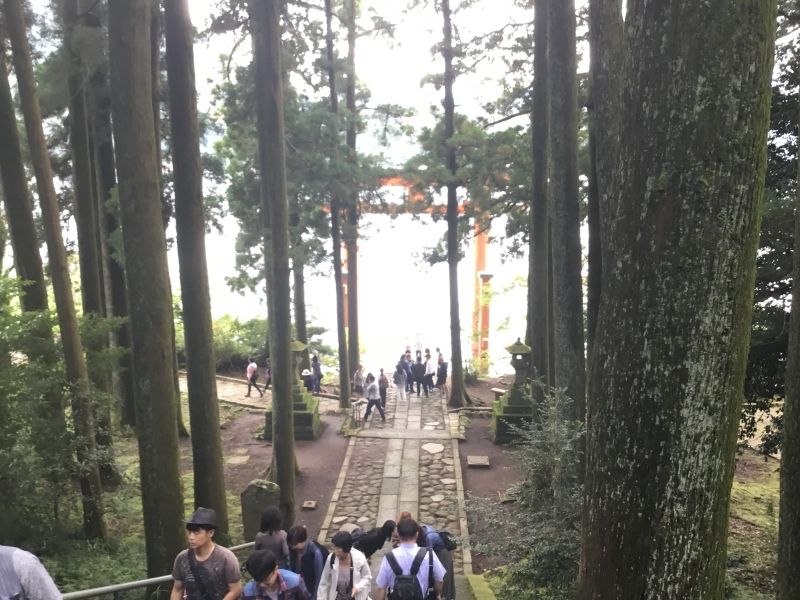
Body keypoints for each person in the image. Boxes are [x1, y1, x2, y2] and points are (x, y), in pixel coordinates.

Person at [171, 507, 242, 600]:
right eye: (190, 532)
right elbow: (177, 589)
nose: (191, 537)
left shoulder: (226, 557)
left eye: (197, 532)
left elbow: (235, 590)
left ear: (211, 533)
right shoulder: (182, 558)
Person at [374, 518, 445, 600]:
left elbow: (380, 587)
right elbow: (439, 580)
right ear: (417, 534)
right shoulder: (429, 554)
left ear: (399, 535)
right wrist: (437, 595)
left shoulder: (389, 557)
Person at [317, 531, 371, 600]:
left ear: (346, 549)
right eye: (335, 547)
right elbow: (324, 582)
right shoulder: (331, 559)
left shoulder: (359, 559)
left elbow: (367, 577)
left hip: (355, 597)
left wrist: (357, 588)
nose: (336, 551)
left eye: (339, 549)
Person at [242, 549, 310, 600]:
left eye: (266, 580)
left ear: (275, 569)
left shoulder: (295, 583)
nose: (262, 584)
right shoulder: (249, 593)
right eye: (258, 581)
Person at [287, 526, 326, 599]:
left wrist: (315, 597)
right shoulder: (293, 549)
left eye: (295, 544)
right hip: (297, 589)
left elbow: (319, 578)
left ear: (303, 541)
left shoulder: (315, 553)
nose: (292, 547)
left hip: (309, 591)